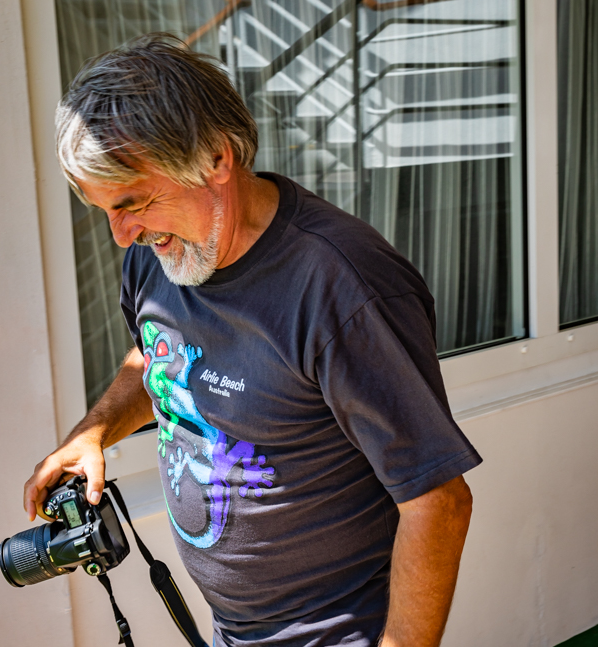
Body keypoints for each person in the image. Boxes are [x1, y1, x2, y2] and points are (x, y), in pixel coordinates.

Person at [24, 34, 481, 647]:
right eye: (103, 209)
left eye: (134, 202)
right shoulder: (161, 255)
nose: (121, 235)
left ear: (216, 158)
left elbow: (437, 500)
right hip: (232, 631)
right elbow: (160, 355)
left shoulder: (342, 288)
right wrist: (95, 431)